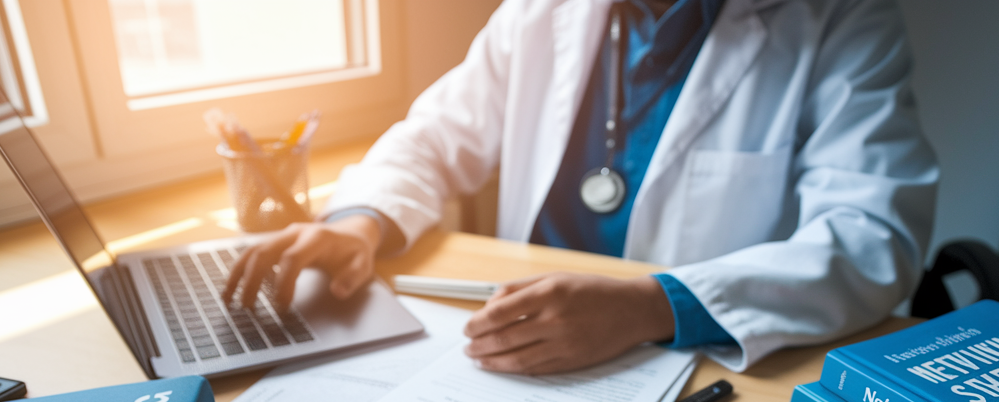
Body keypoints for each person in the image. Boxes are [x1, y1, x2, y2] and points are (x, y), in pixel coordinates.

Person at [223, 0, 938, 376]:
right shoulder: (541, 10)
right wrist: (359, 222)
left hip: (700, 359)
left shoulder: (842, 19)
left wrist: (652, 305)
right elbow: (436, 135)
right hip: (522, 339)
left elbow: (872, 236)